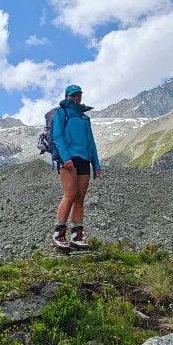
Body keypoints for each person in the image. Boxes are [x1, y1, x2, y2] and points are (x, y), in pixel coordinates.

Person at [50, 84, 101, 250]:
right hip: (69, 159)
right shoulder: (61, 113)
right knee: (70, 194)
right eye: (73, 95)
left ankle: (76, 236)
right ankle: (59, 234)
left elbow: (91, 142)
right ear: (66, 97)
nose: (76, 97)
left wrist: (96, 163)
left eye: (78, 94)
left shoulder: (84, 118)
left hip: (84, 159)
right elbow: (57, 136)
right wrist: (65, 157)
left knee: (80, 197)